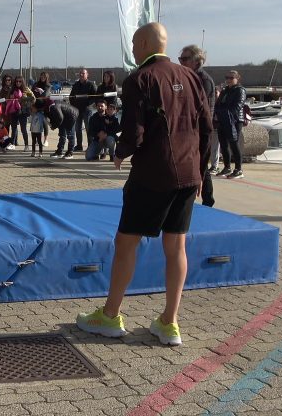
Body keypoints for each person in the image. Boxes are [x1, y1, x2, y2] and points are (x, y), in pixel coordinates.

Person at [76, 22, 212, 347]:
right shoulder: (192, 77)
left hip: (154, 173)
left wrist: (120, 152)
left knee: (127, 243)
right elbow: (207, 126)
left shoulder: (140, 78)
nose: (133, 49)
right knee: (175, 245)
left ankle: (110, 316)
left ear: (149, 43)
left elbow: (135, 128)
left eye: (136, 43)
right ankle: (170, 321)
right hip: (188, 173)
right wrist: (203, 173)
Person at [179, 44, 217, 206]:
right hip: (188, 128)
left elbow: (203, 109)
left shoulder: (204, 80)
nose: (181, 62)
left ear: (197, 61)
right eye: (180, 58)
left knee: (201, 164)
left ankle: (208, 200)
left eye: (185, 59)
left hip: (200, 129)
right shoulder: (187, 76)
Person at [213, 70, 246, 179]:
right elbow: (217, 104)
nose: (228, 80)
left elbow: (238, 106)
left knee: (234, 143)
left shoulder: (240, 90)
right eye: (227, 77)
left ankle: (238, 169)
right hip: (223, 119)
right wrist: (219, 114)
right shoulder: (225, 90)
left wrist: (227, 113)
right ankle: (227, 167)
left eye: (231, 78)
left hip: (236, 120)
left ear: (237, 78)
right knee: (223, 144)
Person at [69, 69, 98, 152]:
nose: (81, 75)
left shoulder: (91, 84)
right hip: (77, 110)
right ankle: (79, 146)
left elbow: (94, 97)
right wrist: (73, 105)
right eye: (80, 73)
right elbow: (71, 96)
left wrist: (88, 103)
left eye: (83, 73)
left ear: (87, 75)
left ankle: (90, 146)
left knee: (89, 129)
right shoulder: (76, 85)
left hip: (87, 110)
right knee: (77, 129)